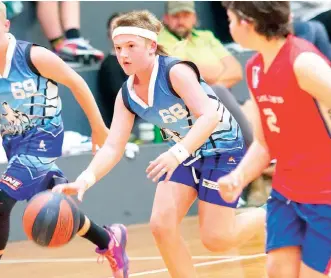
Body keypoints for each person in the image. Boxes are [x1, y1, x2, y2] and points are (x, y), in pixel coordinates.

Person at [52, 10, 266, 278]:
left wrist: (177, 153)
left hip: (221, 149)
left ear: (152, 46)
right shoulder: (127, 94)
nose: (124, 54)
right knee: (161, 225)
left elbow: (209, 116)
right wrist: (85, 179)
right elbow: (112, 147)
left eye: (131, 46)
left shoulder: (175, 71)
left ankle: (273, 211)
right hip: (186, 152)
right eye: (118, 48)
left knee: (217, 239)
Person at [0, 2, 128, 278]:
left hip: (44, 139)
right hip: (15, 145)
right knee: (57, 205)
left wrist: (98, 127)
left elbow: (77, 83)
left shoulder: (33, 55)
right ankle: (109, 240)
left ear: (6, 26)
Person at [219, 2, 331, 278]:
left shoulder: (303, 62)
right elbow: (264, 143)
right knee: (278, 271)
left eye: (231, 19)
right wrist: (239, 177)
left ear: (248, 22)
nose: (229, 26)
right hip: (287, 192)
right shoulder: (255, 67)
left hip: (324, 194)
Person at [158, 1, 243, 89]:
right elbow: (182, 71)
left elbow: (236, 71)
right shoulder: (160, 40)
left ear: (194, 17)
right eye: (175, 16)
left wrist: (211, 92)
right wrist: (221, 69)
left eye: (186, 15)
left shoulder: (207, 36)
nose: (181, 21)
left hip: (217, 97)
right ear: (166, 18)